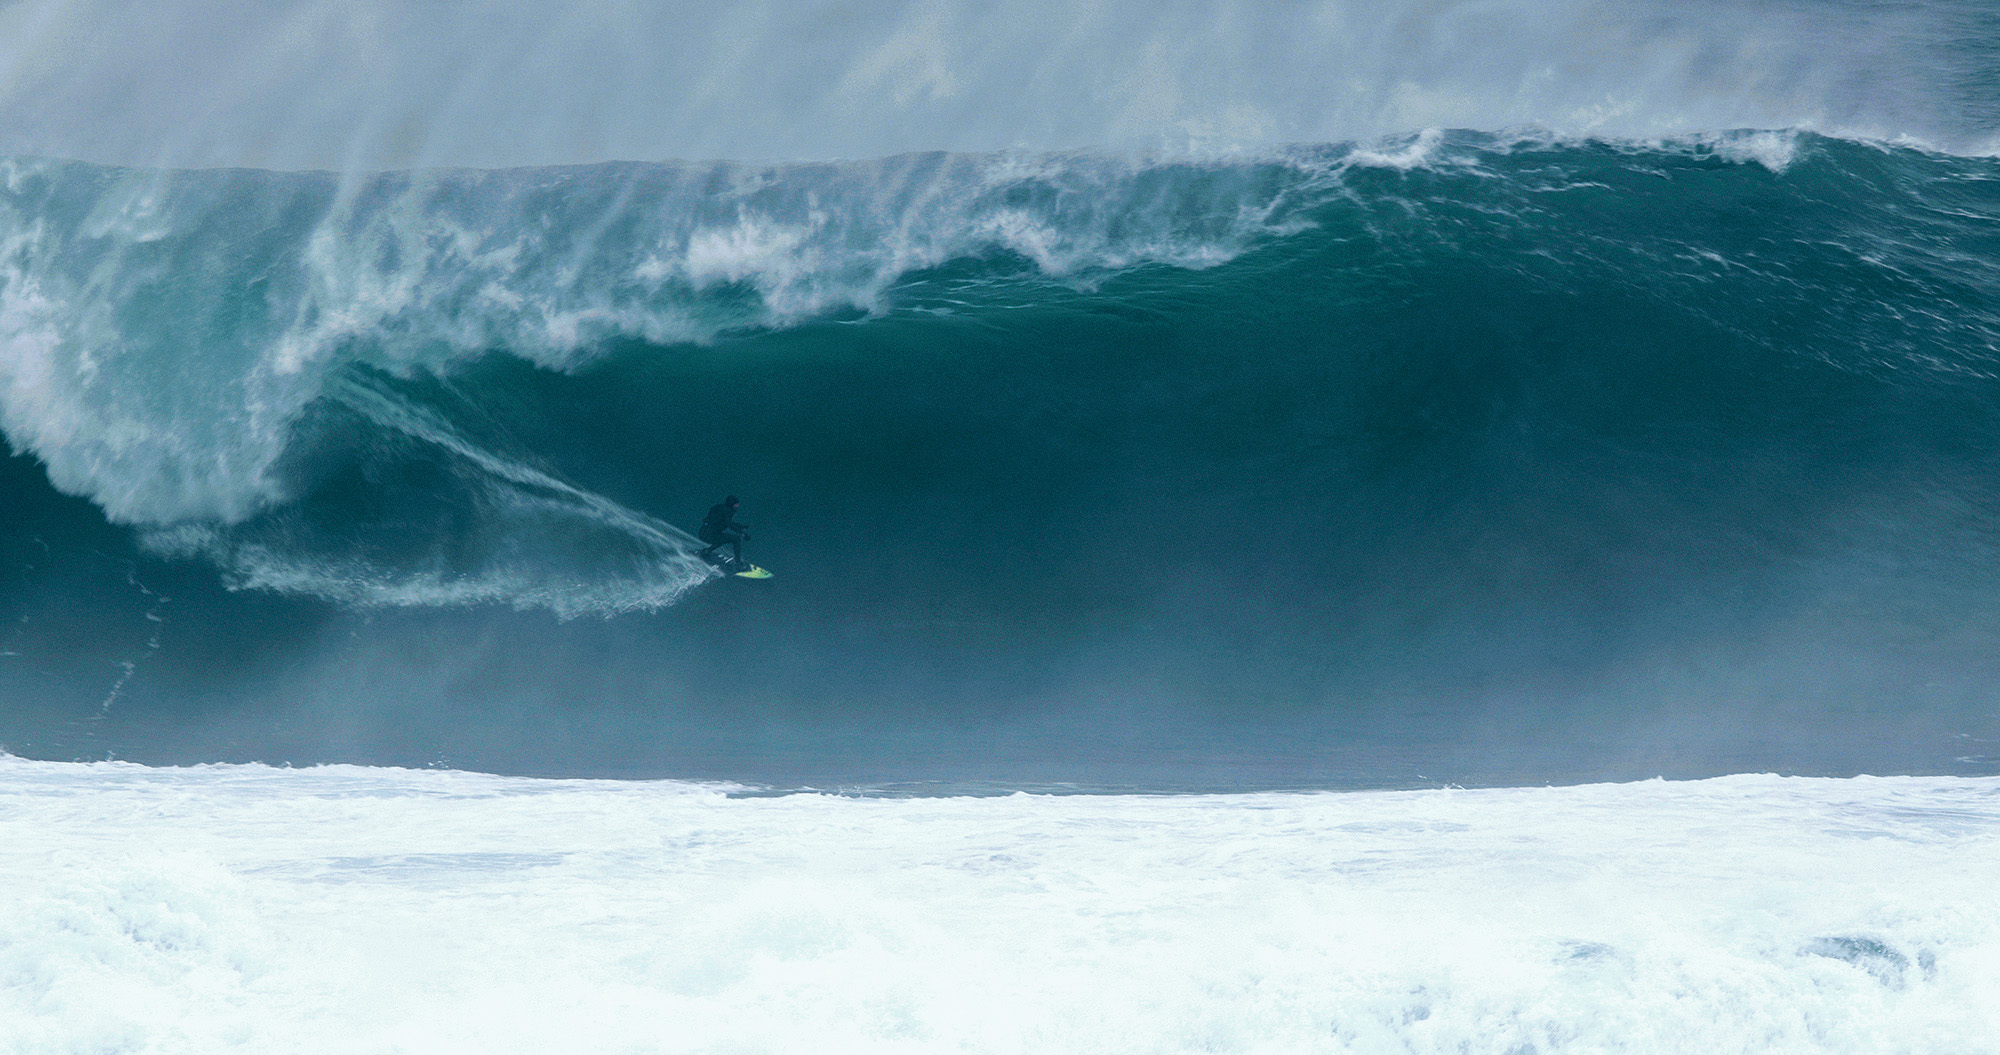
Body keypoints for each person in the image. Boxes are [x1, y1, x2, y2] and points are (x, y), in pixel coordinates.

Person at [698, 495, 750, 567]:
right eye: (736, 504)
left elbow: (727, 522)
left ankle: (706, 551)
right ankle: (738, 563)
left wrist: (741, 527)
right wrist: (742, 533)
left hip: (704, 533)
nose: (738, 506)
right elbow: (728, 524)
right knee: (736, 539)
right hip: (709, 535)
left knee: (722, 538)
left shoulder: (720, 508)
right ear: (732, 504)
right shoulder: (727, 511)